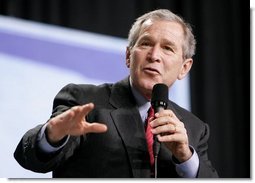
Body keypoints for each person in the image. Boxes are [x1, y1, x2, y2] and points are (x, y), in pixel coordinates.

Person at [14, 9, 218, 178]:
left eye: (167, 48)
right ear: (129, 56)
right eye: (146, 43)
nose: (154, 56)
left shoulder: (194, 129)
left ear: (184, 67)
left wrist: (185, 157)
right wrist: (52, 135)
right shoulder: (84, 101)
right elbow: (30, 158)